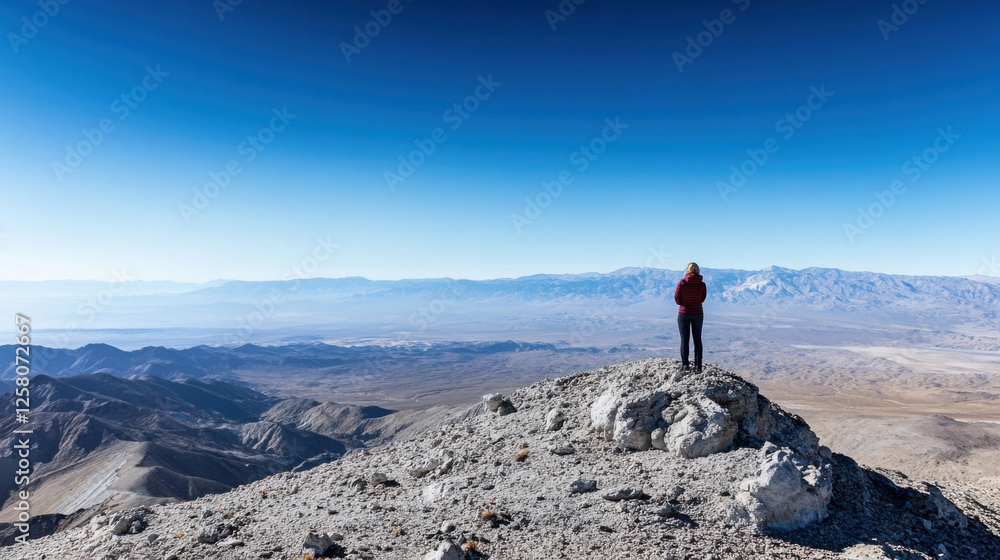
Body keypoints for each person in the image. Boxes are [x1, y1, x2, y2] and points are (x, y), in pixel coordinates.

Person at [674, 262, 706, 373]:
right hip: (698, 313)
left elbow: (677, 300)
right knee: (697, 339)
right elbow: (702, 299)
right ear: (698, 270)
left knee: (684, 340)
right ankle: (698, 366)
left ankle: (685, 365)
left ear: (687, 270)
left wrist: (686, 302)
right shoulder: (702, 285)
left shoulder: (682, 283)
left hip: (684, 313)